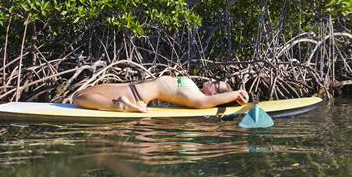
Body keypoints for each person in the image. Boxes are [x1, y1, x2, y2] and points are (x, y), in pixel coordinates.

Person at [72, 75, 249, 113]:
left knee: (77, 97)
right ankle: (118, 104)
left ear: (215, 94)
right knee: (80, 94)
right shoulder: (194, 89)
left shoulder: (197, 98)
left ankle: (117, 105)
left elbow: (205, 103)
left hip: (133, 94)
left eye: (215, 84)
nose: (211, 80)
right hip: (131, 88)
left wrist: (237, 94)